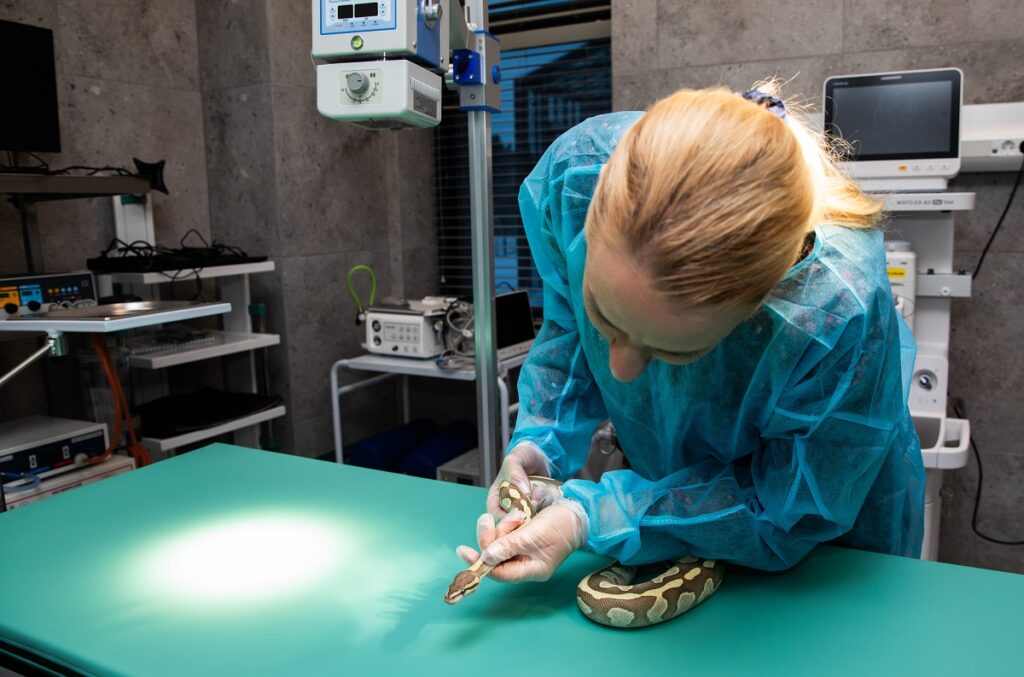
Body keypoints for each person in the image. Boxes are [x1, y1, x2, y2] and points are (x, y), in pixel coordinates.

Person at [455, 84, 925, 586]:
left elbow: (785, 510)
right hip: (665, 515)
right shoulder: (576, 182)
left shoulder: (833, 314)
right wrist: (539, 443)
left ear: (760, 307)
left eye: (672, 351)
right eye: (605, 318)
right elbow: (571, 332)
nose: (619, 371)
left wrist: (592, 516)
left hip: (825, 559)